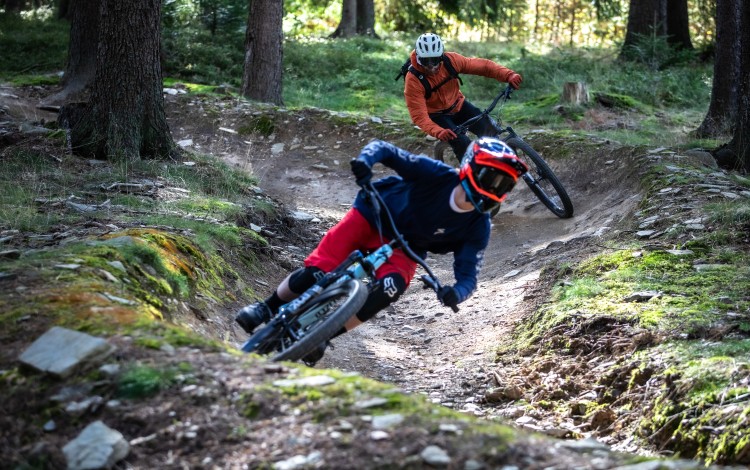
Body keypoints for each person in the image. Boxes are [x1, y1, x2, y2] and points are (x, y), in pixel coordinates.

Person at [236, 137, 528, 365]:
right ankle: (267, 307)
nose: (495, 187)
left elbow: (468, 276)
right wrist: (366, 162)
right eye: (491, 176)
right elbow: (385, 150)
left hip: (406, 248)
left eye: (504, 183)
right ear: (471, 167)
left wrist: (456, 293)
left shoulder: (479, 226)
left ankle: (324, 336)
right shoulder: (437, 175)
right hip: (372, 215)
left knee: (390, 289)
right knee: (317, 272)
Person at [404, 33, 523, 158]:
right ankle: (470, 175)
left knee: (489, 129)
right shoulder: (413, 79)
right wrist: (438, 131)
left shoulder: (451, 61)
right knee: (463, 144)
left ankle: (503, 164)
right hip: (437, 116)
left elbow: (483, 66)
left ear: (441, 56)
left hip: (458, 105)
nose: (431, 66)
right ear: (418, 56)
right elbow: (419, 116)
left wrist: (508, 75)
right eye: (425, 61)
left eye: (434, 60)